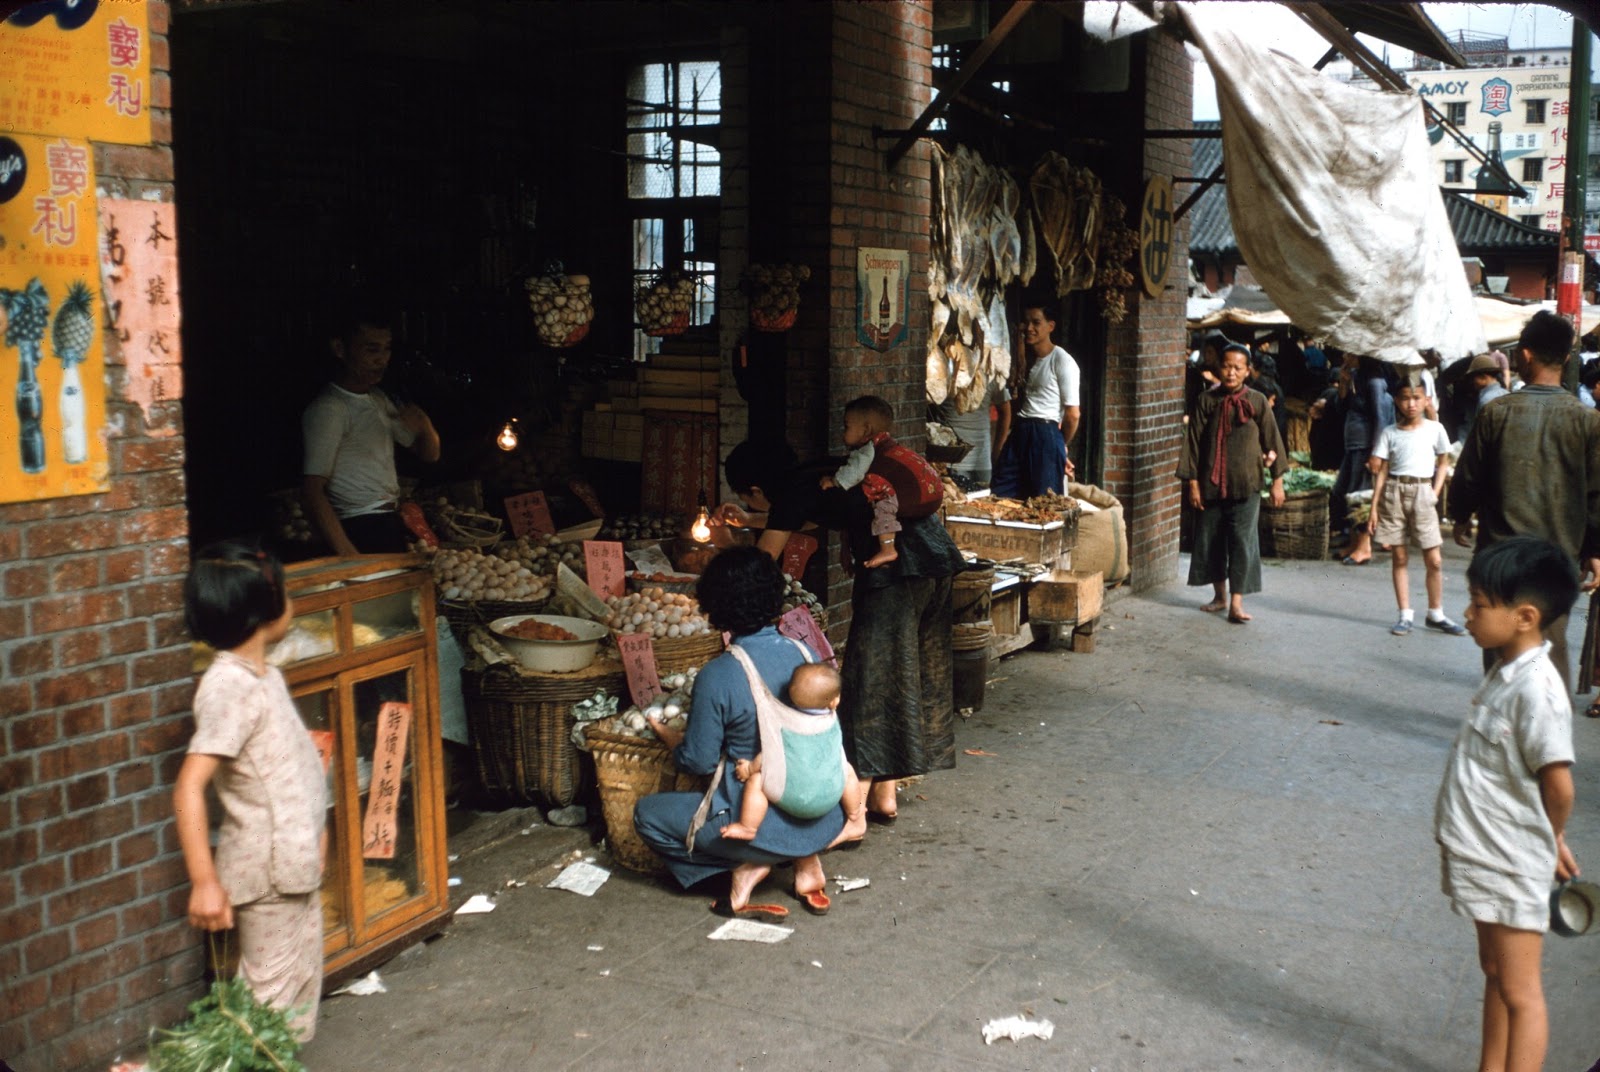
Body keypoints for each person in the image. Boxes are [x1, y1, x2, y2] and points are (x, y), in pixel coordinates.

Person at [714, 435, 964, 822]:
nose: (753, 507)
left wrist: (723, 550)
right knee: (905, 672)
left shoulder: (793, 492)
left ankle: (855, 813)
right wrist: (749, 521)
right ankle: (884, 793)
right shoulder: (814, 475)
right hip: (933, 556)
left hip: (898, 569)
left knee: (869, 678)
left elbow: (761, 562)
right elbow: (807, 518)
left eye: (750, 501)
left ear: (757, 489)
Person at [633, 547, 863, 918]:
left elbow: (698, 760)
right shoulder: (804, 653)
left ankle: (747, 864)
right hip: (827, 816)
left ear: (716, 607)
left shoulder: (719, 674)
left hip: (755, 824)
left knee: (646, 815)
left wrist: (669, 737)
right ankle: (802, 857)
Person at [1434, 536, 1581, 1072]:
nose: (1467, 614)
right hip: (1487, 854)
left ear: (1524, 616)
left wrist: (1551, 840)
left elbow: (1559, 786)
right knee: (1496, 971)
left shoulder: (1537, 690)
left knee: (1521, 991)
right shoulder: (1505, 671)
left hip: (1512, 858)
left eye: (1477, 603)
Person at [174, 541, 327, 1042]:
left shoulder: (265, 675)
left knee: (295, 990)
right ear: (268, 610)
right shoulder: (227, 686)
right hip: (267, 873)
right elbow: (190, 786)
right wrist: (204, 881)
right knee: (267, 1002)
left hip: (294, 864)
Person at [1451, 310, 1600, 689]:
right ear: (1566, 359)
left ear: (1526, 356)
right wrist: (1594, 549)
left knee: (1501, 653)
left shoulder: (1495, 413)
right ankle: (1549, 740)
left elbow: (1468, 477)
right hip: (1556, 559)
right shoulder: (1587, 421)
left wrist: (1460, 515)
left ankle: (1502, 738)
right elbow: (1596, 494)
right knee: (1551, 651)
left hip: (1500, 555)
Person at [302, 307, 441, 555]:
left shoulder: (378, 399)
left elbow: (429, 455)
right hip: (358, 527)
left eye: (386, 349)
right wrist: (348, 553)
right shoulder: (330, 409)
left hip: (388, 521)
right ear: (340, 349)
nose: (382, 359)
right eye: (371, 350)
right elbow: (312, 490)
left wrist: (425, 426)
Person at [1178, 343, 1287, 624]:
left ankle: (1236, 603)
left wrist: (1277, 481)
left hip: (1247, 484)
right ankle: (1220, 596)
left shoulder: (1258, 401)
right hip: (1211, 484)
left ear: (1247, 371)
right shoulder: (1206, 400)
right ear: (1219, 368)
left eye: (1238, 367)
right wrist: (1193, 484)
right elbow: (1192, 444)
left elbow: (1273, 439)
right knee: (1212, 539)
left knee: (1242, 542)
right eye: (1227, 366)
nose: (1231, 372)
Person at [719, 661, 864, 843]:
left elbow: (768, 757)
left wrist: (748, 769)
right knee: (848, 770)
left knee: (756, 781)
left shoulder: (784, 724)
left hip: (791, 799)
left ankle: (748, 827)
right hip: (831, 794)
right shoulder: (831, 719)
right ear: (835, 701)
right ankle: (855, 810)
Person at [1368, 374, 1465, 637]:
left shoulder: (1435, 429)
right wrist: (1374, 507)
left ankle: (1436, 613)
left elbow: (1444, 461)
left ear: (1426, 400)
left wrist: (1434, 491)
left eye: (1416, 398)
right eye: (1405, 399)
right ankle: (1405, 614)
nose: (1411, 404)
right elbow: (1383, 471)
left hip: (1423, 492)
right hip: (1393, 493)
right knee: (1399, 557)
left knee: (1433, 559)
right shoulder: (1390, 433)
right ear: (1397, 401)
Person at [820, 396, 944, 569]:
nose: (843, 432)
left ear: (866, 430)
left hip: (913, 498)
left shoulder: (866, 450)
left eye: (846, 427)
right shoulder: (887, 445)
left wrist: (833, 482)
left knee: (882, 502)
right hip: (933, 495)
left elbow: (853, 474)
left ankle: (887, 549)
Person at [991, 303, 1080, 499]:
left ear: (1051, 326)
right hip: (1021, 430)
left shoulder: (1062, 360)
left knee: (1044, 499)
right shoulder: (1028, 359)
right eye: (1027, 322)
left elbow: (1073, 415)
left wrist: (1058, 444)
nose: (1029, 328)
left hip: (1045, 430)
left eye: (1036, 322)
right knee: (1001, 493)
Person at [1333, 355, 1395, 566]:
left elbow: (1381, 417)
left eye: (1349, 353)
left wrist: (1377, 452)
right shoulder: (1356, 377)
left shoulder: (1375, 382)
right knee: (1346, 492)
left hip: (1366, 446)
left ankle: (1364, 546)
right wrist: (1343, 382)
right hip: (1352, 444)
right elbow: (1341, 408)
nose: (1344, 357)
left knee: (1360, 495)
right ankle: (1353, 542)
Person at [931, 374, 1011, 488]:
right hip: (952, 460)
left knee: (983, 500)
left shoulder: (990, 372)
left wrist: (997, 449)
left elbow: (1005, 410)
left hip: (982, 459)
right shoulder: (946, 373)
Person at [1455, 352, 1511, 443]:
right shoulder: (1507, 393)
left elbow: (1481, 435)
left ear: (1483, 377)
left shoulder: (1485, 400)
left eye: (1474, 378)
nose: (1473, 382)